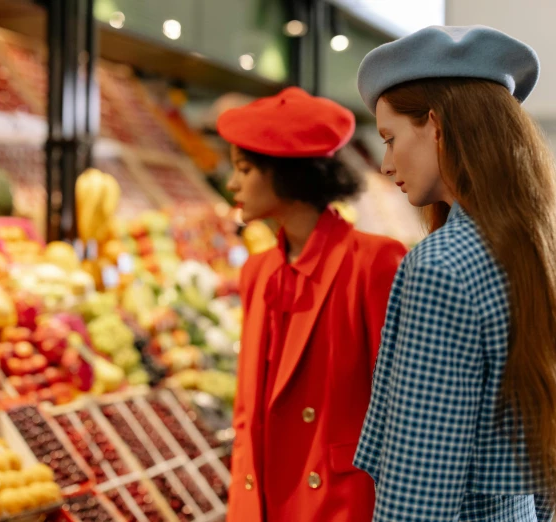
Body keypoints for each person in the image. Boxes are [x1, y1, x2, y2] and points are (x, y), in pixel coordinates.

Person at [354, 26, 556, 521]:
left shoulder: (442, 267)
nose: (384, 164)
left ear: (436, 124)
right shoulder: (534, 249)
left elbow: (419, 486)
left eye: (390, 138)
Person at [217, 87, 407, 522]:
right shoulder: (258, 271)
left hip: (339, 501)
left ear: (286, 173)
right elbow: (248, 410)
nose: (231, 185)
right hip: (261, 497)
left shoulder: (374, 260)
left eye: (244, 169)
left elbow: (400, 407)